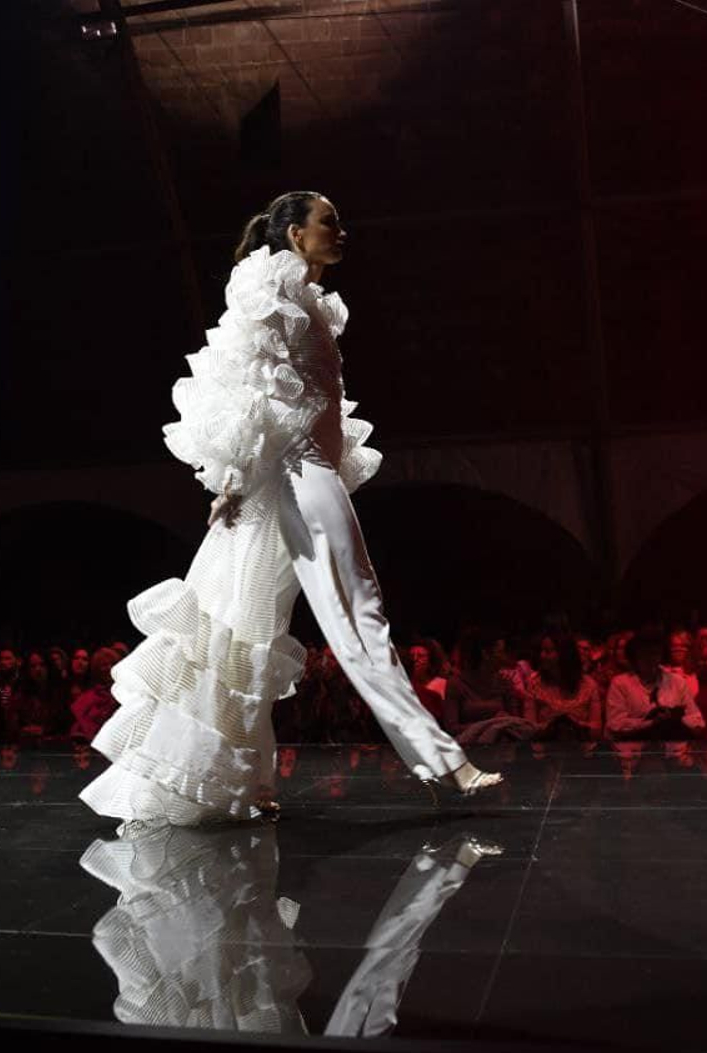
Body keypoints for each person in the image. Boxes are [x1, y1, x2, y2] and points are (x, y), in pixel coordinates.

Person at [79, 191, 503, 827]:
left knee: (250, 630)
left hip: (307, 473)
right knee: (360, 617)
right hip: (299, 474)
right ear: (294, 234)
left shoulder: (311, 302)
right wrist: (229, 480)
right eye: (328, 220)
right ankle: (445, 763)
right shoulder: (266, 292)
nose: (342, 230)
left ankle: (237, 780)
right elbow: (242, 387)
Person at [605, 628, 705, 740]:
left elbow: (697, 720)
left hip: (671, 753)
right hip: (634, 752)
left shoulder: (677, 682)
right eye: (645, 654)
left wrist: (675, 719)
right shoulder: (620, 683)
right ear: (635, 656)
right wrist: (651, 723)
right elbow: (615, 724)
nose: (651, 659)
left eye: (655, 653)